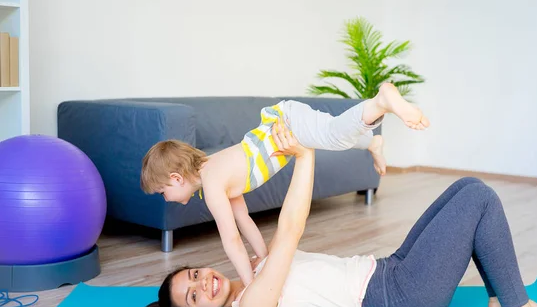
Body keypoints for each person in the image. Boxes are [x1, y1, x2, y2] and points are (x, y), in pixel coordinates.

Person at [134, 125, 537, 307]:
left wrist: (256, 258)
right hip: (399, 299)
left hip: (389, 271)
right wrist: (305, 158)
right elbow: (289, 230)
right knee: (479, 200)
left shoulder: (253, 274)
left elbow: (244, 223)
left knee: (467, 186)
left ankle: (502, 293)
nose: (203, 283)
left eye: (193, 275)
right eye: (195, 297)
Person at [140, 83, 429, 286]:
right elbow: (244, 223)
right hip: (284, 119)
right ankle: (373, 141)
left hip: (284, 123)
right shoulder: (213, 176)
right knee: (332, 134)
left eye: (162, 192)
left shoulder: (213, 183)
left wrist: (252, 284)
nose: (165, 198)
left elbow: (231, 242)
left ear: (175, 178)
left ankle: (381, 101)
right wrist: (266, 261)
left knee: (333, 135)